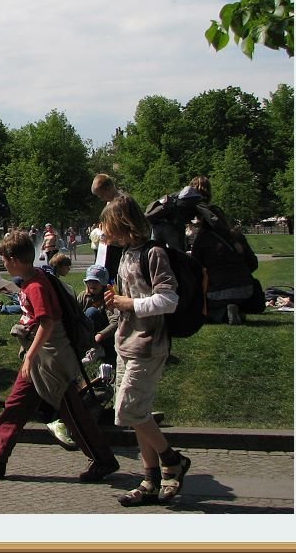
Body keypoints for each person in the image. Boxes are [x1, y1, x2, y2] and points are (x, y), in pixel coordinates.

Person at [0, 230, 118, 481]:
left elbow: (47, 322)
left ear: (14, 259)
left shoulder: (36, 285)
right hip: (40, 356)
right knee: (15, 405)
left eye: (4, 258)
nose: (2, 262)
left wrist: (29, 354)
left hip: (50, 357)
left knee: (72, 412)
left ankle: (102, 460)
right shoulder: (33, 279)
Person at [100, 194, 191, 507]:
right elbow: (131, 297)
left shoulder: (153, 254)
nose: (103, 231)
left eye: (107, 224)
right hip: (125, 341)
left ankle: (172, 459)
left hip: (148, 343)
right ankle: (151, 479)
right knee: (137, 414)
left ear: (123, 223)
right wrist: (116, 300)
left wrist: (130, 302)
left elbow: (169, 300)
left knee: (129, 410)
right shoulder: (126, 253)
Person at [187, 175, 258, 326]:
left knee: (205, 309)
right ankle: (238, 307)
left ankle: (224, 313)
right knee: (235, 296)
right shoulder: (236, 235)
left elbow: (195, 269)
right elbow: (253, 263)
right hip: (246, 288)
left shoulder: (203, 239)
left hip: (218, 290)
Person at [78, 264, 118, 367]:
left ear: (104, 283)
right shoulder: (83, 296)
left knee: (91, 312)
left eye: (96, 281)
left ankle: (98, 348)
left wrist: (101, 335)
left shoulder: (108, 297)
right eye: (90, 281)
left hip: (106, 337)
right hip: (88, 334)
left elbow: (115, 322)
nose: (92, 284)